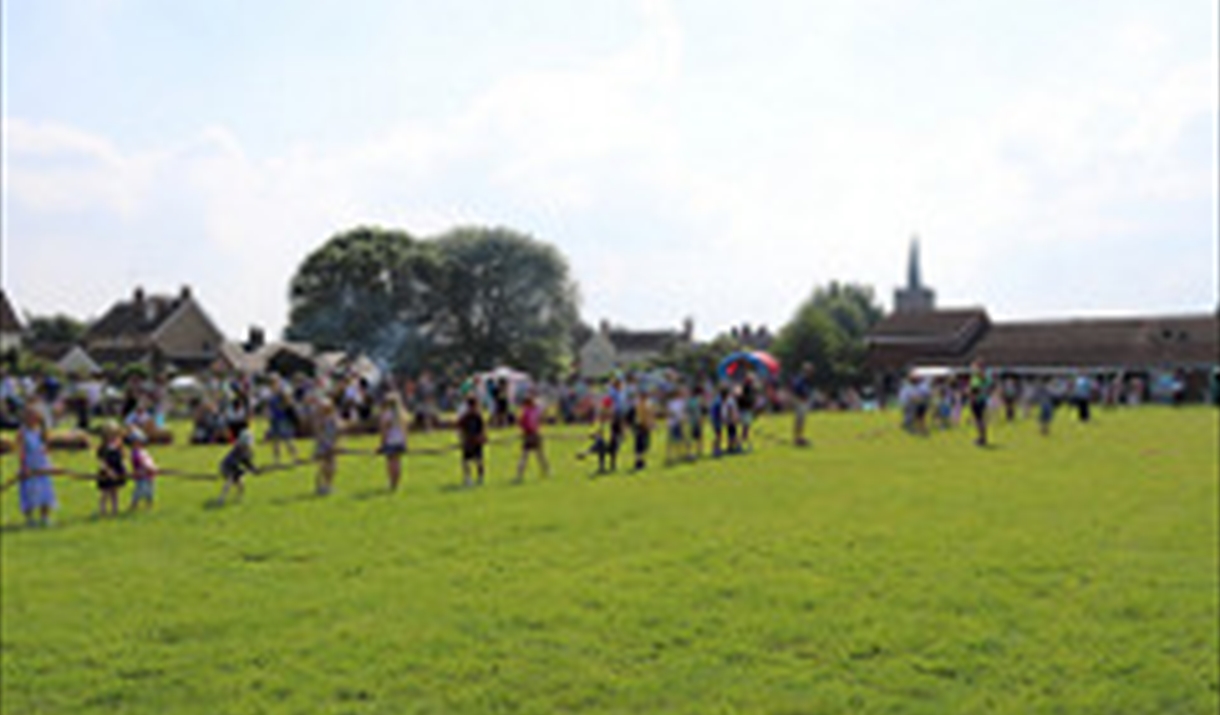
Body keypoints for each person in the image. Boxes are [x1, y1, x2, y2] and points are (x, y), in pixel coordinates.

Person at [16, 405, 57, 527]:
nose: (32, 419)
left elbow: (46, 449)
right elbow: (21, 451)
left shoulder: (42, 431)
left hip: (42, 465)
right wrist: (24, 467)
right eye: (29, 416)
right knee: (29, 493)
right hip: (30, 465)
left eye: (34, 416)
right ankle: (30, 519)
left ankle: (45, 517)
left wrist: (50, 464)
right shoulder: (22, 432)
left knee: (46, 491)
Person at [95, 423, 128, 517]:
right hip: (107, 472)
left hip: (117, 470)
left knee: (115, 491)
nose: (113, 437)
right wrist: (108, 471)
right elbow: (102, 462)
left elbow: (122, 457)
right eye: (111, 435)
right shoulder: (103, 448)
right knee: (105, 492)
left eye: (115, 435)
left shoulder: (118, 445)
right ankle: (103, 510)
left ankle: (115, 509)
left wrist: (123, 466)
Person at [217, 430, 258, 504]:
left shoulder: (248, 452)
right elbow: (233, 463)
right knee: (230, 479)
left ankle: (239, 498)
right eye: (244, 444)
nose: (245, 446)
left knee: (241, 483)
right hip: (226, 467)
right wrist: (244, 471)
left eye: (246, 445)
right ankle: (221, 498)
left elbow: (247, 463)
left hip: (234, 468)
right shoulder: (237, 450)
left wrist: (253, 468)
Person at [378, 393, 408, 492]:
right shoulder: (402, 414)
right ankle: (397, 482)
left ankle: (391, 482)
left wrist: (382, 443)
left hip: (390, 440)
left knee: (391, 462)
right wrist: (405, 441)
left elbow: (384, 430)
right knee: (398, 461)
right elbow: (405, 429)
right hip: (400, 440)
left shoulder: (386, 414)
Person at [515, 394, 548, 482]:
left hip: (530, 435)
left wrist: (524, 431)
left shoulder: (526, 412)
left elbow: (521, 423)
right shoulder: (534, 411)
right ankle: (547, 471)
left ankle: (519, 475)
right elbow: (539, 419)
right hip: (534, 434)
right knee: (539, 454)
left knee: (526, 455)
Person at [266, 379, 299, 464]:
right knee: (275, 441)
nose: (272, 387)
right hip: (274, 420)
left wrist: (282, 405)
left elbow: (290, 404)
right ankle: (277, 460)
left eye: (273, 384)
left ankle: (295, 457)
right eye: (271, 385)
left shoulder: (282, 394)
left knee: (287, 439)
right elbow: (269, 407)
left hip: (283, 419)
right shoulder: (271, 396)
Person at [457, 395, 487, 486]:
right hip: (468, 442)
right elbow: (460, 429)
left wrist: (483, 437)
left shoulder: (477, 416)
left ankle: (480, 477)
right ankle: (468, 478)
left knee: (478, 461)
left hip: (476, 441)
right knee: (466, 462)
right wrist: (462, 439)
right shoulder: (466, 417)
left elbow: (483, 428)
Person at [313, 399, 340, 496]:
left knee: (332, 467)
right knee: (323, 466)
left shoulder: (333, 417)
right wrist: (326, 444)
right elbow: (319, 434)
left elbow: (338, 431)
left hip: (331, 445)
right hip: (323, 446)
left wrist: (336, 444)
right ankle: (320, 486)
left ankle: (328, 486)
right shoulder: (320, 419)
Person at [127, 428, 158, 510]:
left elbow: (149, 460)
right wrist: (149, 468)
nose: (138, 443)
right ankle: (133, 505)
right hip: (142, 474)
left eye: (139, 441)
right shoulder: (135, 453)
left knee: (150, 491)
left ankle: (149, 506)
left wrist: (154, 467)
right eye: (135, 442)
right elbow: (141, 462)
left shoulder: (143, 451)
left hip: (149, 474)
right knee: (140, 491)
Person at [968, 359, 993, 447]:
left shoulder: (979, 376)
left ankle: (982, 439)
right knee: (979, 420)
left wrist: (972, 397)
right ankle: (981, 438)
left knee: (979, 420)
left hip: (977, 400)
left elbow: (975, 389)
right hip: (981, 400)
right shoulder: (985, 376)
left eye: (974, 366)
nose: (972, 368)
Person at [791, 363, 814, 446]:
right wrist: (802, 397)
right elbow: (796, 389)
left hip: (802, 401)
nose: (811, 373)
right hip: (799, 401)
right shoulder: (801, 379)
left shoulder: (806, 379)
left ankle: (799, 437)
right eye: (810, 370)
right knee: (799, 420)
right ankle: (797, 438)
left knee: (801, 420)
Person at [632, 390, 654, 470]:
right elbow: (643, 416)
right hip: (641, 426)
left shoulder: (646, 403)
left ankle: (641, 461)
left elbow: (650, 415)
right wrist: (647, 425)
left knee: (643, 444)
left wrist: (650, 423)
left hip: (643, 425)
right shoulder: (642, 404)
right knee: (640, 444)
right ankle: (639, 461)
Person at [665, 387, 687, 466]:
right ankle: (669, 456)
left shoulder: (682, 402)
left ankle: (679, 455)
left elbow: (683, 412)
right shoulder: (671, 403)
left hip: (679, 423)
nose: (682, 394)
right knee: (671, 441)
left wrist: (683, 419)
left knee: (680, 440)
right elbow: (668, 412)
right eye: (680, 393)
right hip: (672, 423)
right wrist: (675, 416)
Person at [686, 385, 705, 460]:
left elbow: (688, 410)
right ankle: (699, 449)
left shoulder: (689, 400)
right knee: (698, 436)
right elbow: (699, 411)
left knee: (691, 436)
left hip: (691, 420)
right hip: (696, 420)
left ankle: (691, 451)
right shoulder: (698, 400)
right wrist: (701, 419)